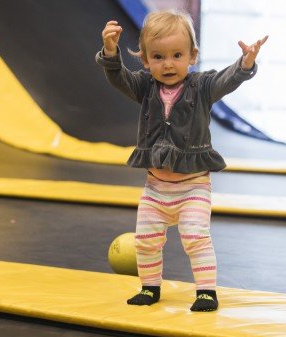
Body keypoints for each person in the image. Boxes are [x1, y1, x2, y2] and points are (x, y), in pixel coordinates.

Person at [96, 9, 267, 312]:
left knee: (195, 237)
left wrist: (244, 64)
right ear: (146, 61)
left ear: (192, 56)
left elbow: (225, 81)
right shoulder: (145, 86)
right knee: (146, 241)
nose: (168, 64)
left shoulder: (201, 87)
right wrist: (111, 53)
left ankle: (205, 292)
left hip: (192, 188)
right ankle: (150, 287)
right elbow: (120, 79)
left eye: (177, 55)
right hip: (155, 189)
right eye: (158, 57)